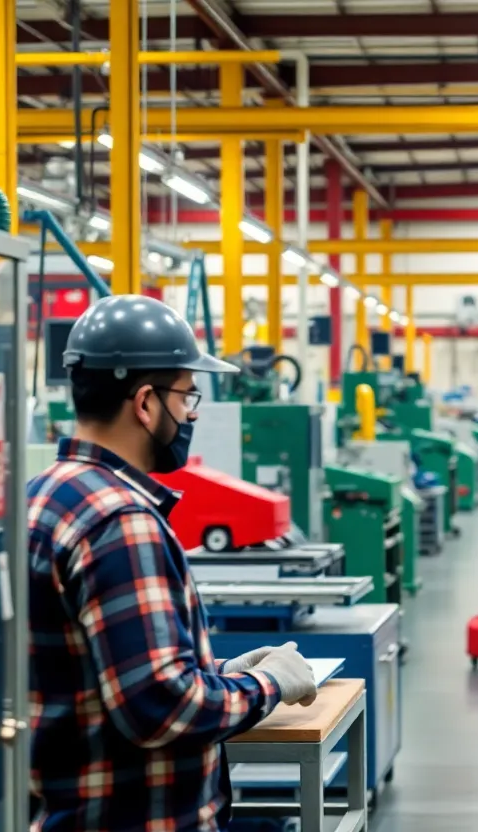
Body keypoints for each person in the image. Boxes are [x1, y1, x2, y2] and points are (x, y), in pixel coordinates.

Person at [27, 295, 320, 831]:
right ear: (145, 403)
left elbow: (98, 677)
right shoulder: (121, 520)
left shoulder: (45, 494)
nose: (193, 412)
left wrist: (220, 675)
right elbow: (162, 707)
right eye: (187, 395)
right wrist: (270, 684)